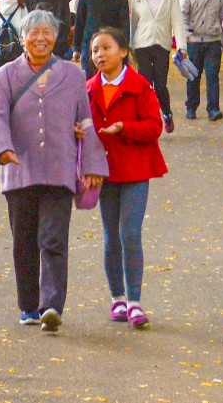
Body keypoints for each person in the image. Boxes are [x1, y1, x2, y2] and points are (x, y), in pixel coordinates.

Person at [0, 10, 108, 332]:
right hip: (19, 171)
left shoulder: (72, 75)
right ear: (23, 36)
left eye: (48, 32)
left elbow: (85, 121)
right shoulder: (3, 77)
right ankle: (28, 306)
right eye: (34, 32)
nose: (41, 38)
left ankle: (51, 306)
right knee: (23, 242)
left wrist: (94, 164)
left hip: (60, 168)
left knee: (53, 239)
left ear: (57, 37)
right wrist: (3, 149)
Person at [86, 26, 167, 328]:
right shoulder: (89, 89)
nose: (100, 55)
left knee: (130, 233)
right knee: (110, 236)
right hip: (103, 172)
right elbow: (79, 125)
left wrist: (125, 128)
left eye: (106, 48)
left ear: (123, 52)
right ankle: (116, 298)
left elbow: (154, 126)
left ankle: (135, 301)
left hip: (135, 169)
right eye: (95, 50)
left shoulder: (140, 85)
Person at [127, 0, 181, 132]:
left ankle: (166, 113)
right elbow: (133, 23)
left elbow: (178, 22)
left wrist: (182, 47)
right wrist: (129, 45)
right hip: (141, 44)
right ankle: (145, 116)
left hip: (162, 44)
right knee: (144, 83)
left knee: (160, 84)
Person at [177, 0, 223, 121]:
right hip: (194, 41)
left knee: (213, 76)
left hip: (213, 40)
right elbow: (182, 15)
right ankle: (191, 107)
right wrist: (183, 40)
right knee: (193, 75)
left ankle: (213, 109)